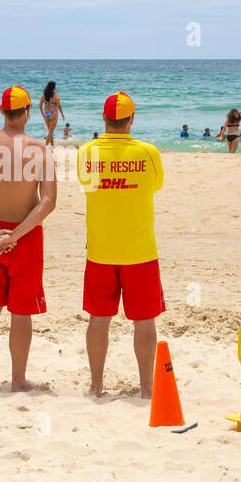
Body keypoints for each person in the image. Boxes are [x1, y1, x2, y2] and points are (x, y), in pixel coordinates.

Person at [0, 86, 56, 391]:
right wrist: (15, 235)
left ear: (2, 112)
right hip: (25, 236)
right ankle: (17, 380)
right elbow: (48, 202)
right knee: (21, 311)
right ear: (28, 112)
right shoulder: (40, 150)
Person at [77, 92, 164, 399]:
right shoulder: (148, 152)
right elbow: (155, 185)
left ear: (104, 119)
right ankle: (147, 388)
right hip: (139, 251)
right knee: (144, 320)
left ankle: (96, 385)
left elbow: (88, 186)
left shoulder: (87, 152)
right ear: (131, 119)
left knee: (99, 319)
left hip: (101, 250)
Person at [40, 81, 64, 146]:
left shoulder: (43, 94)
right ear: (53, 87)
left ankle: (53, 147)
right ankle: (45, 147)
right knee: (50, 132)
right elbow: (59, 105)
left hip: (46, 113)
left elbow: (40, 105)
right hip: (53, 112)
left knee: (50, 132)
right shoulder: (56, 94)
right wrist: (62, 114)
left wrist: (42, 114)